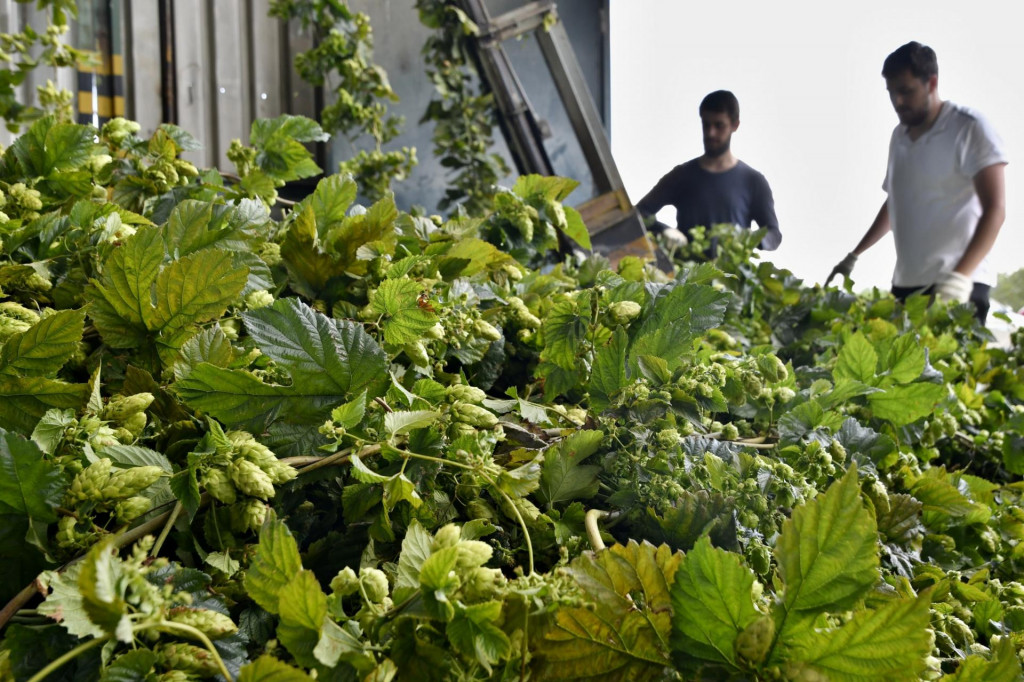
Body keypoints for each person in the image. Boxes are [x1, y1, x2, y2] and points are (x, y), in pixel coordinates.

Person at [826, 41, 1007, 324]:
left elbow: (995, 209)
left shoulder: (969, 128)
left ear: (931, 83)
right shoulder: (899, 137)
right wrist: (855, 254)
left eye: (906, 91)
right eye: (892, 92)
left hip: (960, 286)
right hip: (907, 286)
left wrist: (959, 278)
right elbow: (896, 202)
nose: (898, 101)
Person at [636, 90, 782, 253]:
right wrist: (664, 230)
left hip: (734, 276)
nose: (711, 133)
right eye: (706, 125)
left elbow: (774, 234)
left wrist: (750, 239)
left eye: (719, 126)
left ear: (735, 125)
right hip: (688, 276)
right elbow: (639, 213)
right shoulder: (682, 175)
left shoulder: (753, 181)